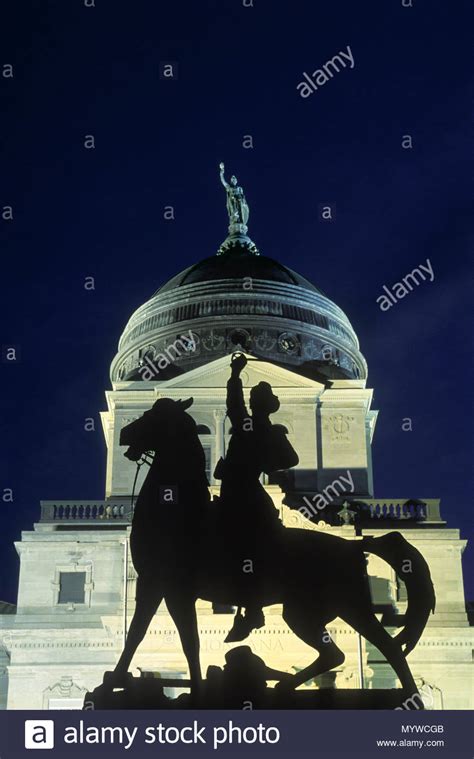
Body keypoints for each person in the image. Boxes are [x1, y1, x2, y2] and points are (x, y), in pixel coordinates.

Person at [216, 353, 299, 642]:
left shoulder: (253, 427)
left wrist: (236, 375)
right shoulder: (260, 428)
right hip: (244, 491)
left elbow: (290, 458)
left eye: (255, 399)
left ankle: (251, 607)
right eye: (252, 399)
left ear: (262, 405)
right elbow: (290, 459)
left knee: (240, 543)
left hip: (243, 493)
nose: (250, 402)